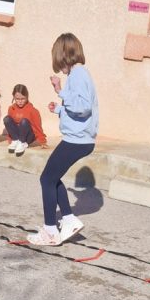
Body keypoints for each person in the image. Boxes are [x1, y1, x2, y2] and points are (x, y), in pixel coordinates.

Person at [28, 32, 98, 246]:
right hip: (79, 138)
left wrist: (61, 92)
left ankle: (50, 230)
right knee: (52, 177)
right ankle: (68, 220)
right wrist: (60, 109)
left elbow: (83, 107)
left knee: (46, 179)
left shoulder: (78, 75)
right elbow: (78, 107)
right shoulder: (79, 74)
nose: (59, 67)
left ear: (63, 55)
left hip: (77, 140)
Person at [4, 84, 47, 156]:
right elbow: (10, 126)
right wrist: (10, 139)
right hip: (17, 135)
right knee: (6, 119)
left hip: (28, 136)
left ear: (27, 97)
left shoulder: (33, 110)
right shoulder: (11, 108)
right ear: (14, 97)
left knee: (24, 121)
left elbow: (38, 127)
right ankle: (15, 141)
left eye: (23, 99)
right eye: (17, 99)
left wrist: (42, 141)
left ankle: (22, 142)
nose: (20, 101)